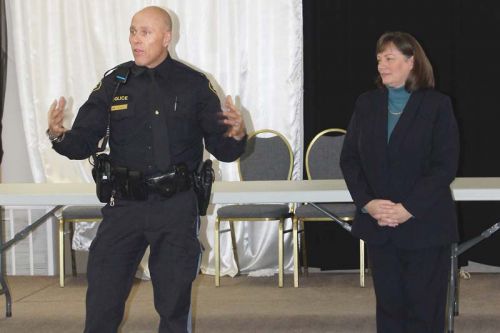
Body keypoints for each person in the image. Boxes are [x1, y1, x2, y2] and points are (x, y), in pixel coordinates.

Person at [47, 6, 246, 333]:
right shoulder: (114, 83)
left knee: (173, 302)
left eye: (145, 32)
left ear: (167, 38)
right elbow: (83, 141)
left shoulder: (194, 84)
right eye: (132, 31)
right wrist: (58, 135)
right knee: (102, 295)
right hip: (123, 205)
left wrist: (235, 135)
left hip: (175, 206)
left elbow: (223, 148)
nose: (135, 40)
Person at [340, 31, 459, 333]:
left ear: (411, 62)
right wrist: (367, 203)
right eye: (379, 59)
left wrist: (409, 208)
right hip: (381, 227)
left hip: (425, 226)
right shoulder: (366, 104)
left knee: (425, 312)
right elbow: (350, 160)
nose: (382, 64)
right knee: (389, 311)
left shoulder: (437, 105)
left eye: (390, 58)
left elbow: (444, 165)